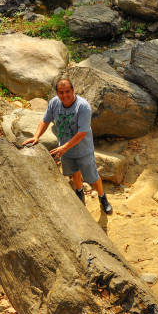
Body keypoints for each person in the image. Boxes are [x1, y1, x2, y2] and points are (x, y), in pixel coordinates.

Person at [22, 78, 113, 214]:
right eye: (61, 92)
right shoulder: (54, 103)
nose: (64, 96)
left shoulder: (83, 107)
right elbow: (45, 120)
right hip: (65, 150)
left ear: (73, 90)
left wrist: (64, 147)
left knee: (93, 177)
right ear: (57, 93)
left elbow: (82, 133)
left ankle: (102, 197)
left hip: (83, 150)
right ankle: (79, 192)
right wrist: (36, 136)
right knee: (74, 173)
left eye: (67, 92)